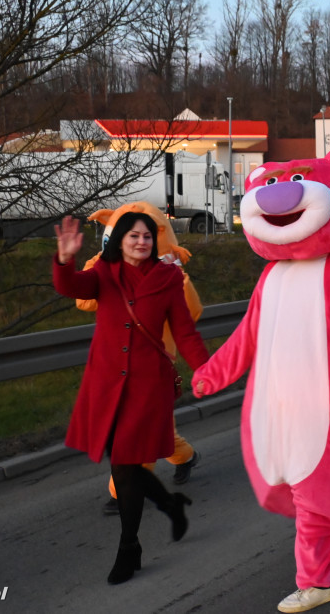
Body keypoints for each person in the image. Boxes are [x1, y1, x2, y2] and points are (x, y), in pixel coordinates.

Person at [53, 213, 209, 585]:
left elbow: (185, 332)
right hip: (105, 382)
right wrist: (65, 259)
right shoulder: (104, 273)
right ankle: (171, 505)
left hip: (145, 386)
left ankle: (129, 547)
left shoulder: (169, 278)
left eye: (147, 237)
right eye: (133, 236)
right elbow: (71, 287)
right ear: (119, 239)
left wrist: (206, 369)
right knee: (121, 460)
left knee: (124, 463)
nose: (141, 242)